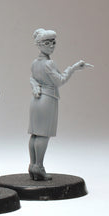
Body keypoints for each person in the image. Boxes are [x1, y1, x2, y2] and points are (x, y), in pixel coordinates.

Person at [28, 28, 92, 180]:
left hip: (36, 101)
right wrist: (73, 68)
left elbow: (32, 79)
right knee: (43, 135)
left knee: (35, 134)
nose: (51, 45)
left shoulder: (35, 63)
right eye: (47, 43)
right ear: (39, 44)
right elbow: (60, 81)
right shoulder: (49, 63)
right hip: (47, 99)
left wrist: (35, 87)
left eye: (53, 42)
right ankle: (38, 166)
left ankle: (33, 165)